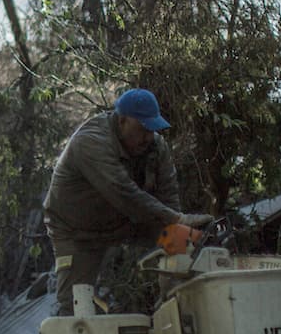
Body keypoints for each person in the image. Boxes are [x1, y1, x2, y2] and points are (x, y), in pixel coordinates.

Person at [42, 88, 212, 315]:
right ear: (122, 121)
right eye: (142, 129)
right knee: (75, 306)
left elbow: (168, 198)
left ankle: (174, 313)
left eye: (152, 129)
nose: (149, 137)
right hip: (76, 230)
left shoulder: (156, 147)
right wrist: (177, 219)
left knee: (184, 247)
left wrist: (178, 233)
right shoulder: (91, 142)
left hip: (127, 220)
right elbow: (124, 193)